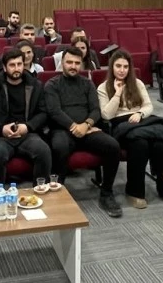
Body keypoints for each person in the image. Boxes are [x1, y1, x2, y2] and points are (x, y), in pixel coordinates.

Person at [98, 50, 163, 207]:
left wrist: (139, 113)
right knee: (140, 144)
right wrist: (117, 93)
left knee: (160, 143)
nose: (122, 70)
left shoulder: (137, 83)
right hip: (120, 126)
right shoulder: (103, 87)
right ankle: (134, 191)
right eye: (118, 66)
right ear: (112, 67)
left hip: (141, 120)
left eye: (125, 66)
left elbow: (148, 106)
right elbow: (106, 115)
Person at [45, 47, 123, 217]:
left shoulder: (87, 83)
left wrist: (86, 125)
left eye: (77, 63)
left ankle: (107, 193)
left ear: (81, 64)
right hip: (62, 130)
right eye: (69, 62)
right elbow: (54, 111)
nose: (73, 66)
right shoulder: (52, 84)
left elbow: (95, 109)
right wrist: (74, 126)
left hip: (87, 129)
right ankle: (58, 193)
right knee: (59, 147)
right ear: (62, 63)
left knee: (113, 146)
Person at [0, 49, 51, 186]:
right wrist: (0, 128)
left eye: (19, 64)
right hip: (0, 135)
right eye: (12, 65)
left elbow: (43, 113)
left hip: (27, 133)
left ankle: (41, 190)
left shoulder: (35, 85)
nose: (17, 68)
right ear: (4, 67)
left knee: (43, 151)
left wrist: (28, 126)